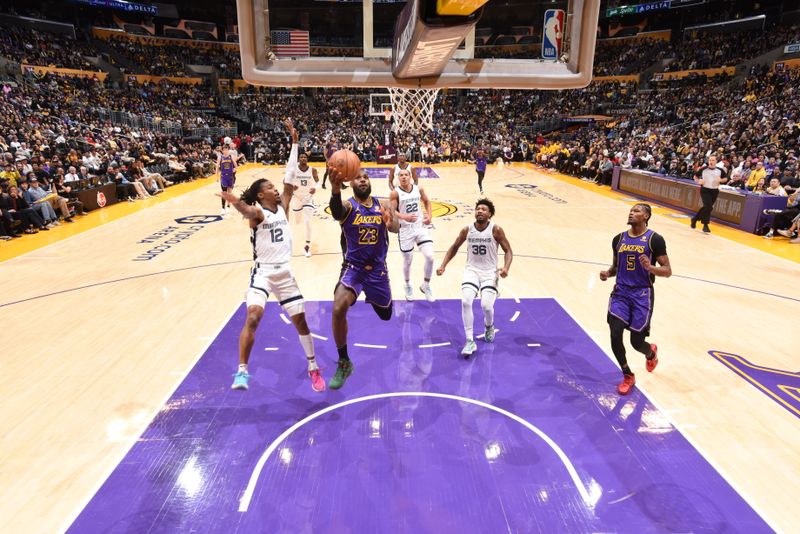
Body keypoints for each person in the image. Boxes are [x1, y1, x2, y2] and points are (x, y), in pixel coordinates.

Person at [218, 177, 325, 393]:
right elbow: (247, 211)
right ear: (260, 195)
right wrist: (236, 202)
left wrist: (295, 143)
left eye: (275, 187)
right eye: (270, 188)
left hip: (285, 273)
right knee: (253, 316)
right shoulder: (258, 213)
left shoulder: (283, 206)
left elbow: (289, 178)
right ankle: (242, 370)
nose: (275, 190)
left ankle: (313, 366)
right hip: (263, 272)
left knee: (301, 322)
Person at [327, 166, 399, 389]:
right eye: (358, 178)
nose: (363, 180)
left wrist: (390, 221)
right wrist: (335, 189)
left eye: (366, 177)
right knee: (338, 307)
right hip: (354, 268)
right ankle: (344, 361)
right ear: (351, 183)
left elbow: (396, 228)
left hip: (378, 270)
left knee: (386, 314)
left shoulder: (383, 204)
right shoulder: (348, 206)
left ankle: (372, 297)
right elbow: (337, 211)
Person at [599, 203, 672, 395]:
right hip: (621, 293)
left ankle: (651, 352)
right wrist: (608, 273)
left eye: (637, 211)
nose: (632, 213)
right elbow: (616, 266)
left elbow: (668, 271)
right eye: (631, 210)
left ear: (646, 216)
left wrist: (651, 268)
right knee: (615, 334)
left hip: (642, 295)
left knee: (636, 342)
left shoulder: (654, 240)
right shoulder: (619, 239)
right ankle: (627, 375)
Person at [436, 198, 513, 357]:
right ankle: (469, 340)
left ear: (490, 214)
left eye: (484, 209)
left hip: (489, 272)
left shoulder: (496, 230)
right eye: (478, 208)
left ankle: (489, 325)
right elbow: (455, 247)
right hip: (471, 270)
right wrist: (443, 265)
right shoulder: (467, 230)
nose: (480, 211)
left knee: (486, 306)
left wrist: (506, 268)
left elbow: (508, 251)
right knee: (465, 301)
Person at [390, 168, 435, 301]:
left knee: (430, 257)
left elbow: (427, 201)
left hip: (420, 227)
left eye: (406, 175)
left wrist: (429, 216)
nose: (403, 177)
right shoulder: (395, 193)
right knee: (408, 261)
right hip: (405, 230)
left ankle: (426, 285)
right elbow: (392, 211)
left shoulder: (418, 188)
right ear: (398, 178)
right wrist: (404, 216)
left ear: (410, 176)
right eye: (401, 175)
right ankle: (408, 284)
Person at [285, 132, 319, 258]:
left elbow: (318, 182)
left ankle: (307, 246)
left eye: (305, 157)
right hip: (296, 198)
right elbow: (286, 181)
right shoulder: (294, 170)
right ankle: (297, 238)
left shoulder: (313, 170)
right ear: (299, 159)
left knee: (307, 222)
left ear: (307, 159)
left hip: (308, 198)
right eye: (301, 157)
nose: (303, 158)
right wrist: (291, 187)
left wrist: (315, 188)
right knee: (298, 221)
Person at [691, 155, 728, 234]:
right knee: (708, 206)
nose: (711, 162)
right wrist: (698, 181)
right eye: (710, 160)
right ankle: (705, 225)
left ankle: (695, 219)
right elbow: (695, 176)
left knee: (708, 208)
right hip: (705, 190)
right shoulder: (703, 169)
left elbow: (726, 178)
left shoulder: (720, 170)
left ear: (716, 161)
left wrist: (721, 180)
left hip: (714, 191)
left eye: (713, 160)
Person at [217, 145, 238, 216]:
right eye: (224, 150)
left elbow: (236, 166)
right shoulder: (220, 157)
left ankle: (228, 206)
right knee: (224, 193)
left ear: (228, 150)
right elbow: (217, 167)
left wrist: (235, 169)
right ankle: (223, 208)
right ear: (222, 151)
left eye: (227, 150)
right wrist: (216, 177)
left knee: (229, 193)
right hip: (223, 177)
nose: (225, 151)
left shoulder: (231, 157)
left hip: (230, 177)